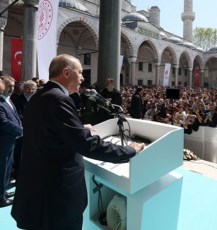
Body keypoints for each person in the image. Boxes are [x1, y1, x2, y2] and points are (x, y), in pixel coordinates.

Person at [11, 54, 144, 229]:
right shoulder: (59, 99)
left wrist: (78, 128)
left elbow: (49, 131)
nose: (83, 77)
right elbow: (86, 144)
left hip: (39, 188)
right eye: (80, 72)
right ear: (66, 72)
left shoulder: (41, 96)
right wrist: (129, 151)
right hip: (56, 195)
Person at [0, 76, 23, 207]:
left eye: (13, 86)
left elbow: (15, 117)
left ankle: (2, 190)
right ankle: (0, 197)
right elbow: (4, 122)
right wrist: (21, 130)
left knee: (7, 168)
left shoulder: (9, 100)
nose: (11, 89)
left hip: (10, 141)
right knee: (2, 168)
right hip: (3, 142)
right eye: (9, 86)